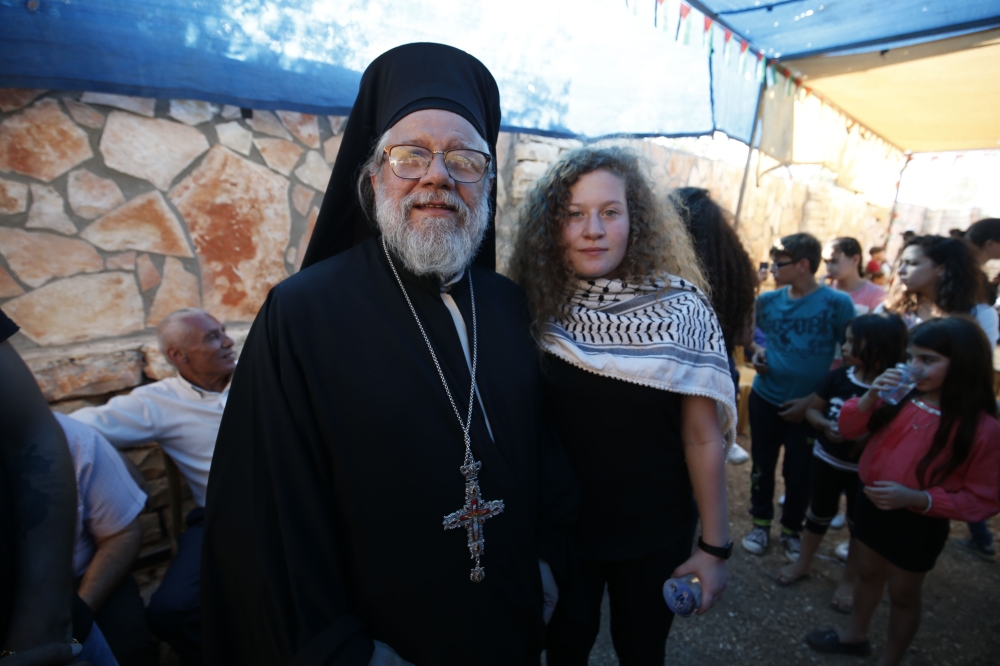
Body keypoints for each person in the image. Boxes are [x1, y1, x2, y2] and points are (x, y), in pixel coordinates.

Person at [201, 43, 578, 666]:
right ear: (373, 176)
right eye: (411, 156)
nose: (438, 175)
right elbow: (269, 515)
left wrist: (541, 560)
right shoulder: (300, 315)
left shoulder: (508, 305)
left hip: (509, 623)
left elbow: (539, 455)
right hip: (382, 644)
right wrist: (349, 653)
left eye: (464, 158)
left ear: (486, 181)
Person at [510, 147, 733, 665]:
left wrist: (715, 549)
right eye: (573, 213)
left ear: (637, 220)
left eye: (610, 211)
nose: (593, 228)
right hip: (564, 533)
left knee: (642, 650)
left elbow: (702, 437)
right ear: (550, 226)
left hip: (654, 533)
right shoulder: (530, 308)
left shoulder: (680, 310)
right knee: (564, 649)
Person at [807, 316, 1000, 665]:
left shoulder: (983, 428)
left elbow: (984, 496)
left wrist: (919, 499)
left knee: (904, 593)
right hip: (872, 505)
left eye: (928, 360)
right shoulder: (900, 395)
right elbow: (849, 429)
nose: (915, 367)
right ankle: (855, 635)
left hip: (919, 523)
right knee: (867, 573)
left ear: (964, 363)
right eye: (912, 357)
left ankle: (892, 658)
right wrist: (870, 397)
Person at [71, 308, 236, 663]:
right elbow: (74, 430)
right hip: (222, 517)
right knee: (170, 610)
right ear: (177, 355)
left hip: (293, 503)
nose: (228, 341)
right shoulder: (156, 403)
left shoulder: (265, 376)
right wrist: (122, 468)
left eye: (223, 331)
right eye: (212, 336)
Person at [0, 308, 116, 666]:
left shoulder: (79, 439)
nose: (224, 341)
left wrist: (45, 622)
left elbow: (30, 437)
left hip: (43, 630)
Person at [877, 235, 1000, 561]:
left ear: (943, 269)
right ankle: (865, 549)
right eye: (901, 262)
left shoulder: (979, 314)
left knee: (918, 480)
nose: (902, 270)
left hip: (940, 416)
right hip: (889, 409)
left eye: (914, 263)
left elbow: (971, 366)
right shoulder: (892, 309)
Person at [776, 313, 908, 613]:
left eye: (851, 341)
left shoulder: (895, 391)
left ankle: (849, 580)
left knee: (858, 526)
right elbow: (812, 411)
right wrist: (824, 426)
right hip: (827, 460)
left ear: (877, 346)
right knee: (818, 513)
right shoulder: (838, 377)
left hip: (865, 473)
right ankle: (804, 562)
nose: (844, 347)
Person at [742, 234, 855, 561]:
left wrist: (811, 404)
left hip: (810, 408)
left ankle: (792, 531)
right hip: (765, 399)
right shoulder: (768, 301)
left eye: (780, 263)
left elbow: (851, 359)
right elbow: (751, 340)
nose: (773, 268)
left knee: (800, 473)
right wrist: (758, 354)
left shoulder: (837, 304)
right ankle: (760, 525)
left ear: (803, 265)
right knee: (762, 466)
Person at [56, 414, 152, 666]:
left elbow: (121, 534)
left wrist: (80, 617)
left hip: (83, 580)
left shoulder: (74, 439)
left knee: (129, 647)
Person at [675, 187, 758, 466]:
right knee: (704, 458)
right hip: (720, 374)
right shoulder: (737, 268)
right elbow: (746, 336)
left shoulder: (669, 270)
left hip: (673, 373)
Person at [824, 238, 886, 315]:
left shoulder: (876, 294)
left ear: (855, 260)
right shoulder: (825, 291)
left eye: (834, 261)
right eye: (826, 262)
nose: (828, 268)